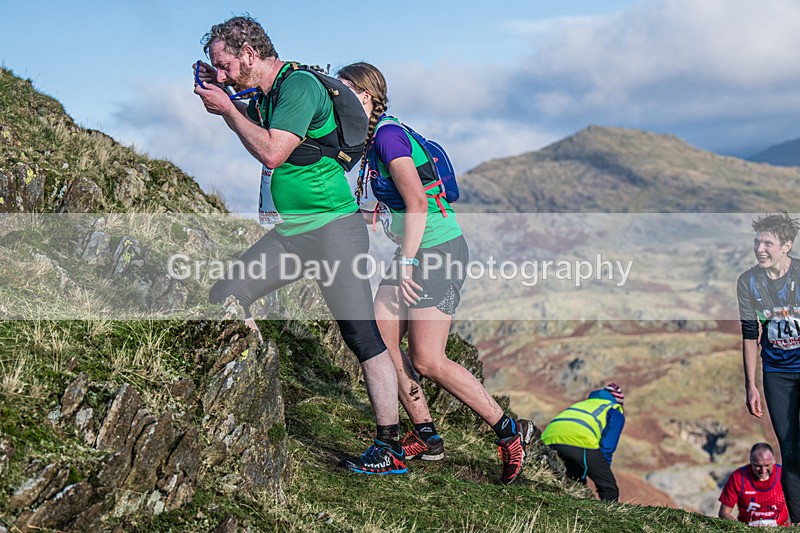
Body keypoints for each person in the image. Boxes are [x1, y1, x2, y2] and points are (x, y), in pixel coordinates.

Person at [193, 16, 406, 475]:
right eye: (217, 67)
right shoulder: (269, 96)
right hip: (297, 233)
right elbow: (260, 131)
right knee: (229, 295)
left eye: (226, 64)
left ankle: (390, 444)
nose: (224, 73)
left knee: (361, 335)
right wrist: (228, 97)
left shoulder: (299, 87)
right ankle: (248, 397)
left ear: (250, 53)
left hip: (334, 231)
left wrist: (228, 110)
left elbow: (272, 152)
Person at [336, 62, 534, 484]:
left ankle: (509, 430)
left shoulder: (388, 136)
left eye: (343, 91)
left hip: (437, 251)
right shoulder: (372, 142)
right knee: (381, 340)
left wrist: (406, 262)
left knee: (428, 359)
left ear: (365, 97)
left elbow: (420, 203)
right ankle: (425, 434)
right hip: (416, 250)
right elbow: (402, 201)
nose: (335, 99)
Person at [738, 212, 800, 522]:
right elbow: (750, 337)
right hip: (776, 373)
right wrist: (751, 386)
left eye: (768, 243)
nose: (760, 249)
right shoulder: (748, 282)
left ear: (787, 245)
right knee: (789, 450)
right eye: (756, 242)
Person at [540, 383, 625, 501]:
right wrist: (602, 470)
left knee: (575, 480)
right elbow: (607, 446)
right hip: (579, 440)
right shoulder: (614, 410)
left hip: (548, 439)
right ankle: (610, 516)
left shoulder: (583, 404)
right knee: (609, 488)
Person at [718, 442, 789, 526]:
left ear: (774, 460)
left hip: (781, 528)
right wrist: (741, 529)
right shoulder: (738, 477)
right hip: (748, 528)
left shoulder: (784, 474)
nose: (763, 470)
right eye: (758, 466)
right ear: (751, 461)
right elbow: (724, 512)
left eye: (767, 465)